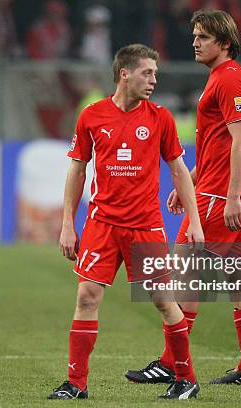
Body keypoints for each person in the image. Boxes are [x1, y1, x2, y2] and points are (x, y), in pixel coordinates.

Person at [48, 43, 205, 401]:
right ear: (125, 74)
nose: (153, 80)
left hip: (144, 226)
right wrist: (68, 224)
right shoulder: (92, 116)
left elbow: (179, 170)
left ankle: (186, 377)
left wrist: (194, 219)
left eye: (155, 74)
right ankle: (76, 384)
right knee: (86, 298)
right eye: (147, 73)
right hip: (102, 224)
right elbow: (77, 169)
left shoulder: (160, 118)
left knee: (164, 301)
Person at [125, 9, 241, 386]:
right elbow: (219, 145)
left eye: (202, 36)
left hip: (223, 196)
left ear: (223, 42)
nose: (195, 43)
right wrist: (190, 180)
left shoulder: (230, 79)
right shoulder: (221, 78)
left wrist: (230, 195)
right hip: (225, 189)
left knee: (186, 274)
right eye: (194, 36)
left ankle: (171, 362)